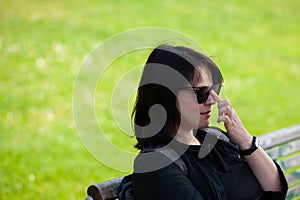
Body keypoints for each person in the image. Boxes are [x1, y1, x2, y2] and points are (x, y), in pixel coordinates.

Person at [131, 44, 288, 199]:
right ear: (166, 95)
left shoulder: (217, 140)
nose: (212, 100)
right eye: (202, 92)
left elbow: (276, 190)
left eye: (214, 90)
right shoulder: (155, 165)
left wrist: (244, 139)